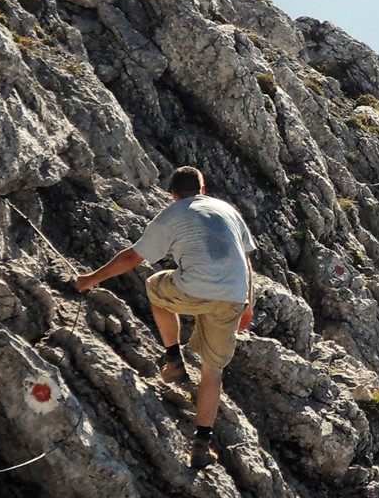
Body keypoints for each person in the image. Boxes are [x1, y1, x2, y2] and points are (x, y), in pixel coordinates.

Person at [75, 166, 254, 470]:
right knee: (213, 372)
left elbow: (132, 258)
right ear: (203, 188)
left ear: (173, 194)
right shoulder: (227, 210)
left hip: (192, 289)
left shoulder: (173, 214)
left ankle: (172, 358)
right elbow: (246, 260)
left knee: (154, 286)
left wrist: (90, 279)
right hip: (234, 297)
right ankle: (201, 443)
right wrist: (248, 306)